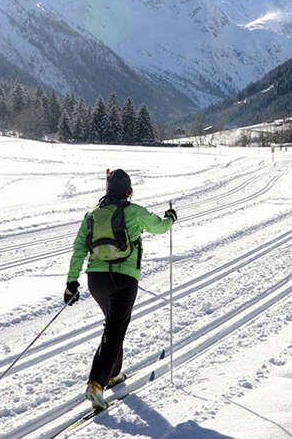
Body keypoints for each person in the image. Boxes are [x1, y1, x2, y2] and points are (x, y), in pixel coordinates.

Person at [63, 169, 176, 410]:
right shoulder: (133, 211)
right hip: (124, 279)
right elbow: (159, 227)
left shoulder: (92, 216)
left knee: (114, 324)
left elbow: (78, 250)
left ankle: (113, 374)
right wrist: (170, 217)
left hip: (97, 280)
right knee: (115, 328)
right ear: (129, 190)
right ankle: (96, 383)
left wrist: (72, 282)